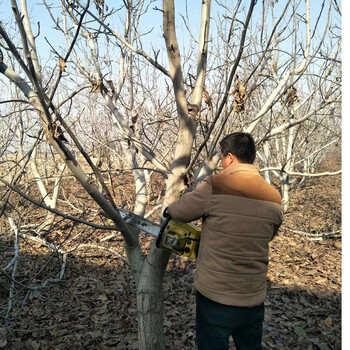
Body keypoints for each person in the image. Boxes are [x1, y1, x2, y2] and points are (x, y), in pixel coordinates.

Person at [166, 132, 282, 350]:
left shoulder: (216, 185)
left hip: (216, 297)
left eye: (221, 158)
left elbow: (181, 212)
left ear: (229, 157)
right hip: (252, 298)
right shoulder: (274, 197)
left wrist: (169, 207)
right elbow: (268, 235)